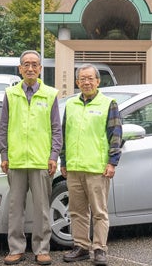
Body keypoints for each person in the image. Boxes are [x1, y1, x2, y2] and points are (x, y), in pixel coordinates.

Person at [0, 50, 62, 266]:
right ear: (20, 68)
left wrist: (54, 155)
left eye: (35, 64)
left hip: (41, 160)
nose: (30, 68)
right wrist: (4, 154)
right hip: (15, 160)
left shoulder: (50, 94)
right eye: (26, 64)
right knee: (16, 208)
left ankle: (42, 249)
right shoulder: (10, 93)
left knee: (42, 208)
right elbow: (3, 126)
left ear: (40, 68)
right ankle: (16, 249)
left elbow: (56, 129)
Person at [60, 64, 122, 266]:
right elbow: (64, 135)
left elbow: (116, 135)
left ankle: (99, 249)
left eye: (90, 78)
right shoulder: (71, 105)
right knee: (77, 211)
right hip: (74, 168)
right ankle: (81, 246)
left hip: (97, 168)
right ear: (77, 82)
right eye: (82, 79)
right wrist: (64, 161)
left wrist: (112, 162)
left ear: (97, 81)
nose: (86, 82)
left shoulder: (108, 103)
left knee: (99, 212)